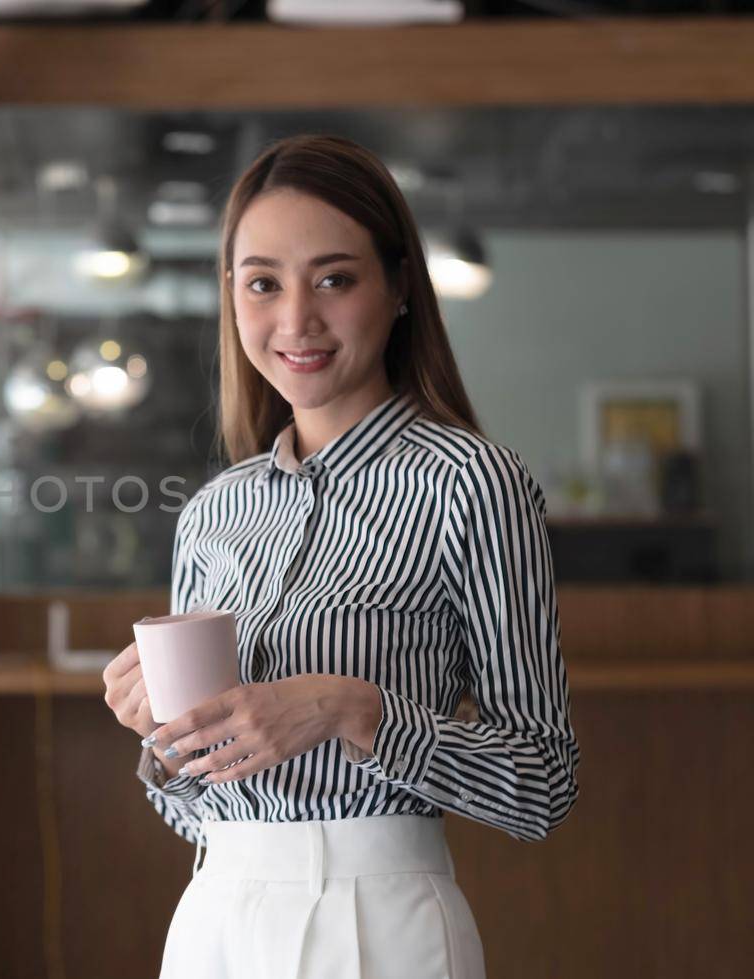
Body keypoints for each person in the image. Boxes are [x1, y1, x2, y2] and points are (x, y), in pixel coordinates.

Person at [101, 134, 580, 978]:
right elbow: (195, 807)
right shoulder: (214, 512)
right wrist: (161, 740)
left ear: (398, 288)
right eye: (263, 284)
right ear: (233, 299)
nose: (296, 320)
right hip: (213, 914)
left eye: (334, 278)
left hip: (378, 919)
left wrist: (353, 708)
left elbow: (541, 783)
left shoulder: (473, 483)